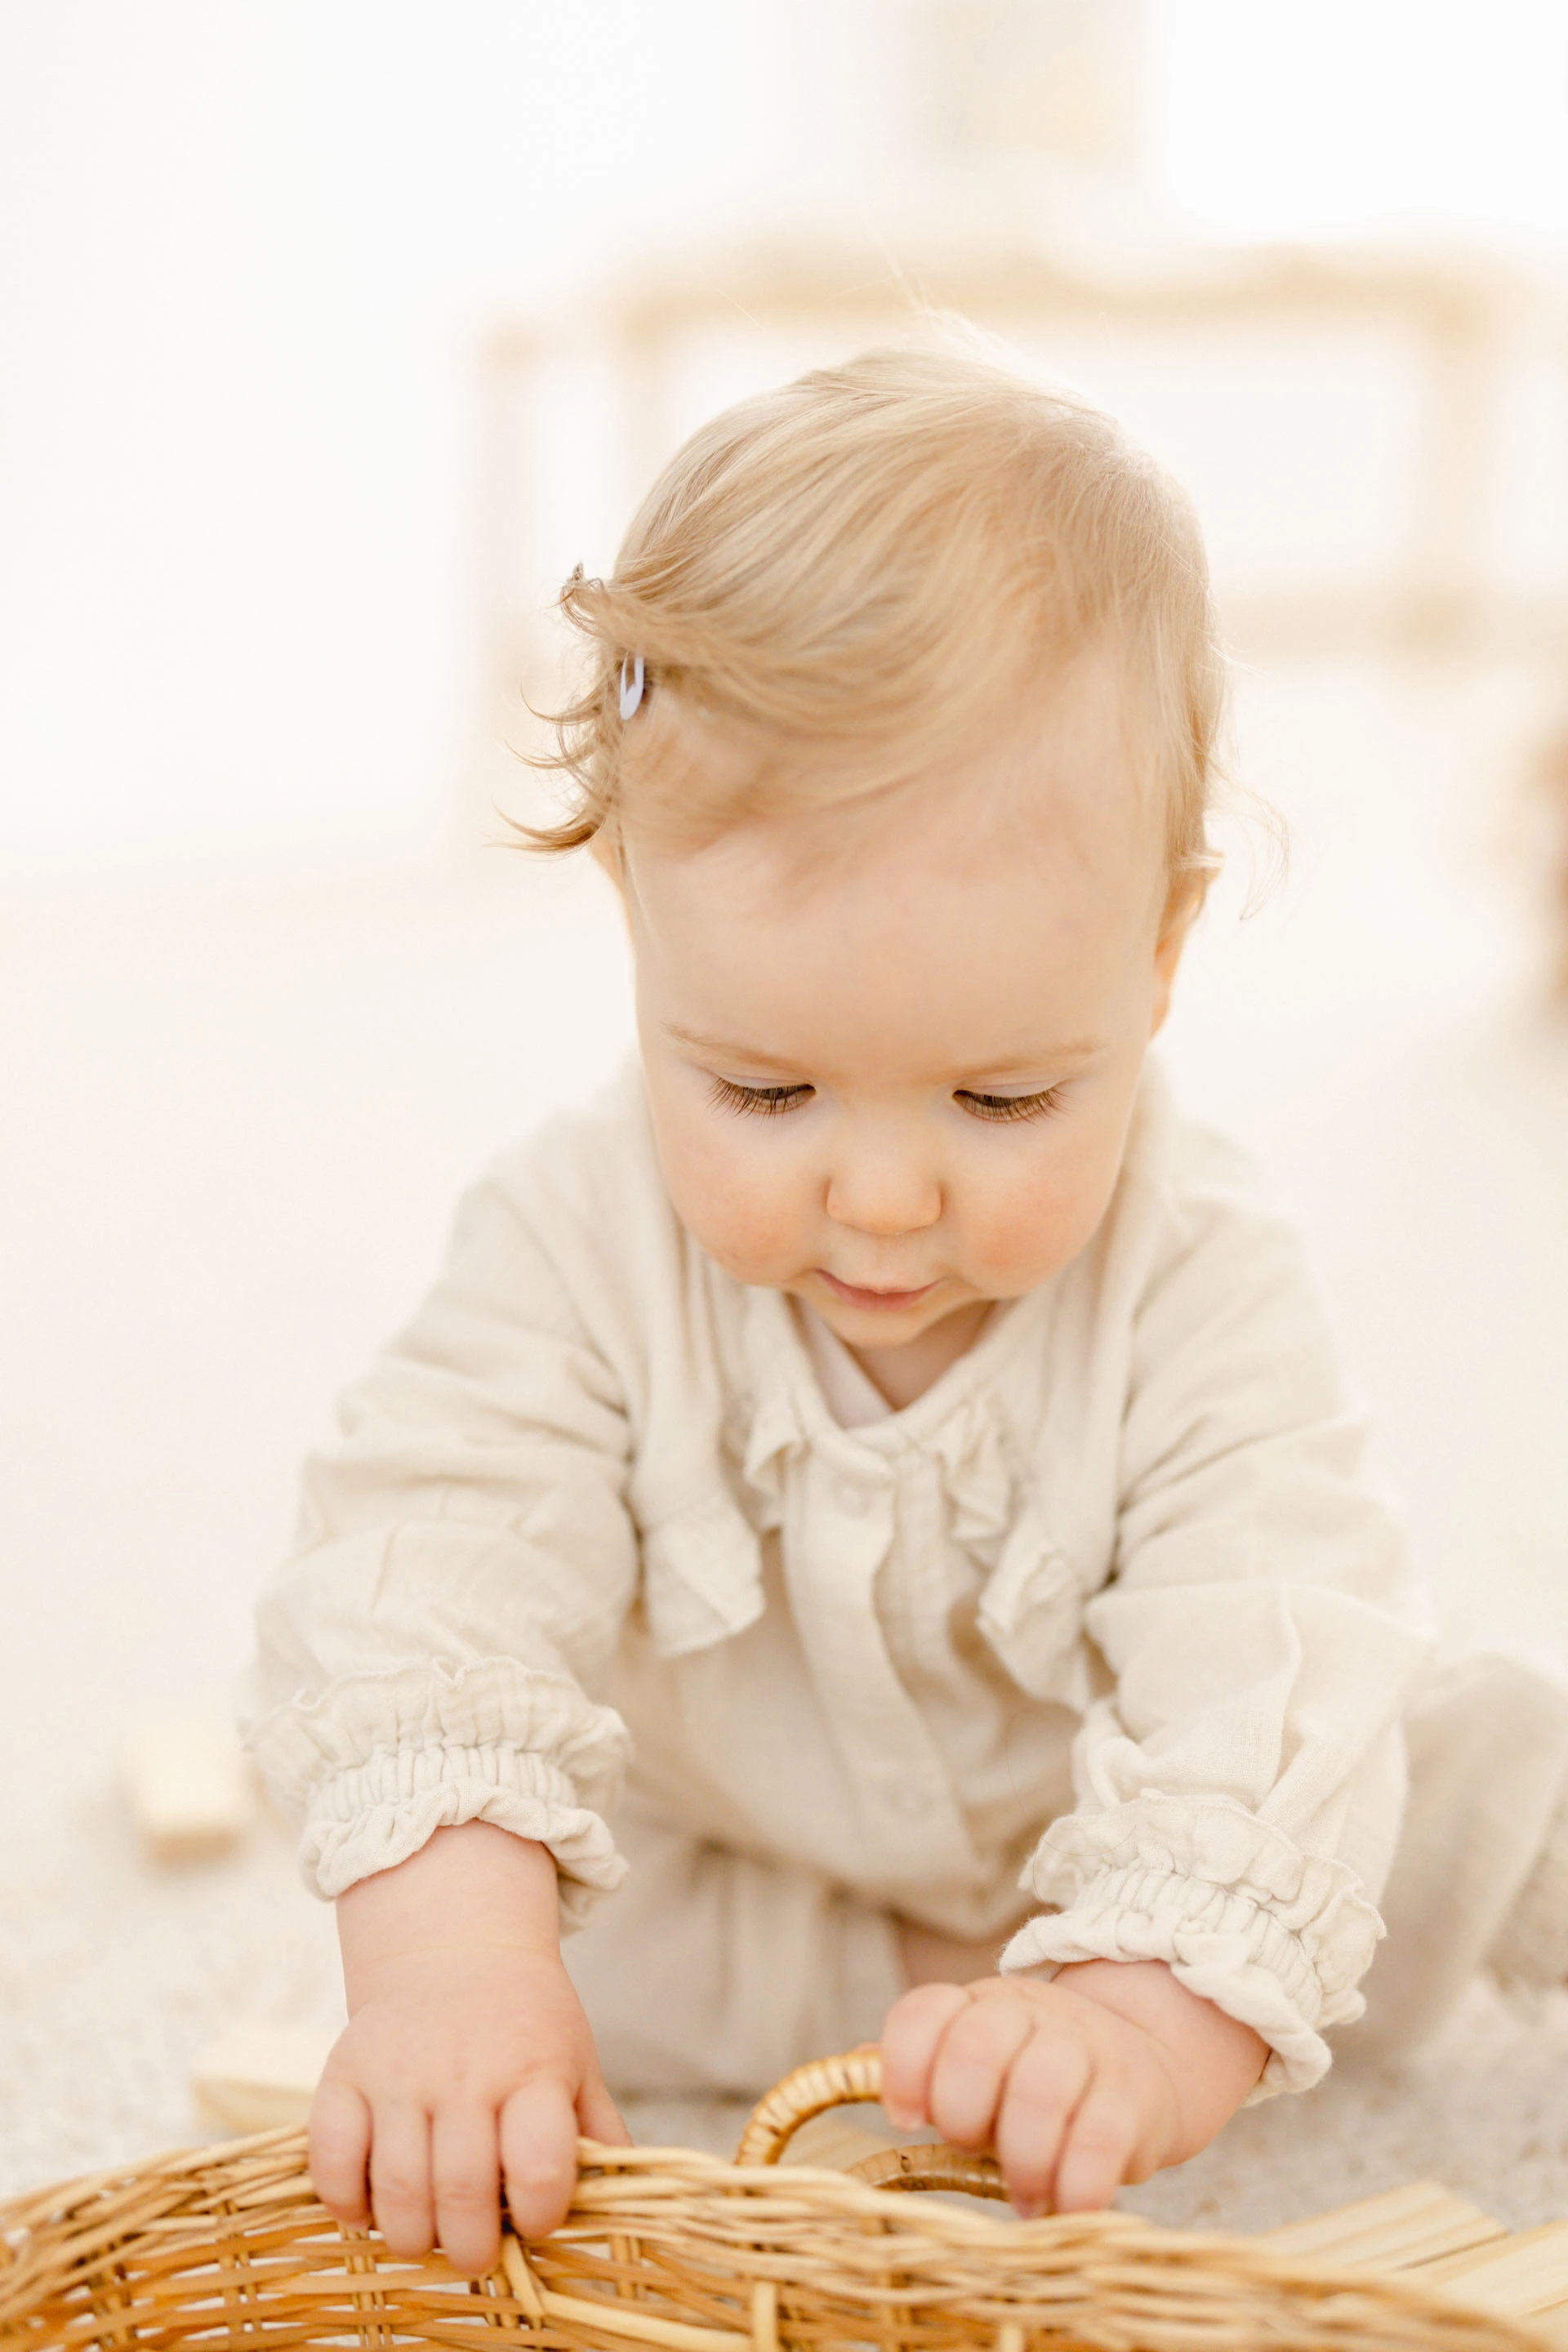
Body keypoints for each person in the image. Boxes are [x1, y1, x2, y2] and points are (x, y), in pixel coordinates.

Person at [239, 338, 1568, 2279]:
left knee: (1433, 1758)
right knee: (507, 1900)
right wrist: (451, 1972)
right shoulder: (568, 1236)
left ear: (1160, 956)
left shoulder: (1199, 1273)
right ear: (636, 919)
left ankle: (1092, 1973)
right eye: (762, 1091)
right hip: (747, 1840)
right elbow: (425, 1553)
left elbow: (1268, 1632)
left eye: (1003, 1099)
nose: (878, 1193)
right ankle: (932, 1987)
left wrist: (1142, 2008)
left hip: (1124, 1815)